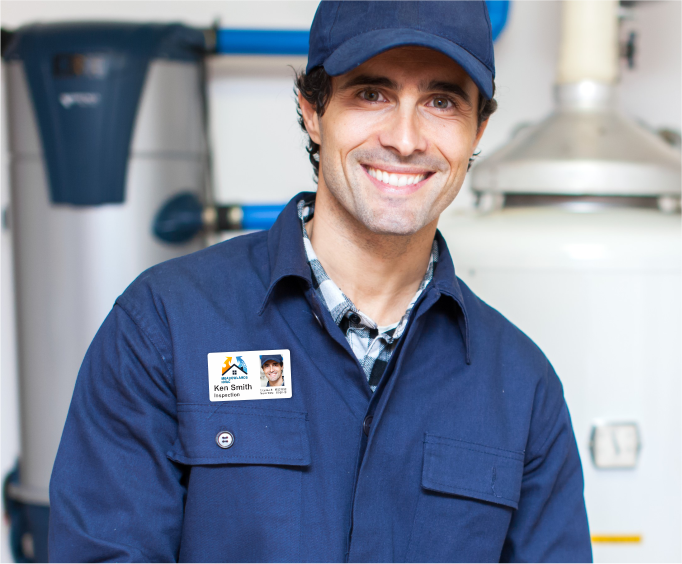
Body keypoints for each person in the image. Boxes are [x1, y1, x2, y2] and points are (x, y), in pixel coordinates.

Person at [48, 0, 592, 562]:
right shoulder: (164, 327)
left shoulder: (523, 389)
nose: (405, 139)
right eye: (371, 94)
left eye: (441, 101)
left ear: (478, 128)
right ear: (313, 108)